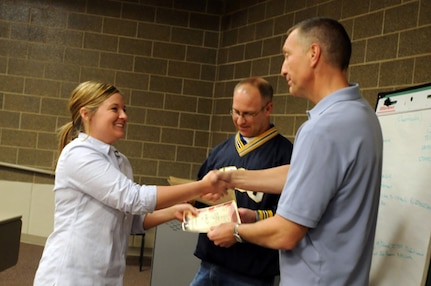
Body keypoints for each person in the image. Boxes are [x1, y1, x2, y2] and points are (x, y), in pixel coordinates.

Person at [207, 17, 384, 286]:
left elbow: (285, 233)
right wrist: (232, 178)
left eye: (287, 56)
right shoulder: (362, 115)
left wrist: (235, 231)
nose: (282, 69)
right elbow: (303, 174)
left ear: (313, 54)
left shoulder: (323, 129)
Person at [33, 81, 227, 285]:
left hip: (106, 275)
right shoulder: (78, 154)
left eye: (124, 109)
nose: (124, 116)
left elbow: (131, 219)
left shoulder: (120, 161)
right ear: (86, 114)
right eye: (114, 109)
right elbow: (133, 198)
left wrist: (173, 211)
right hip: (71, 275)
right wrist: (201, 187)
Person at [190, 77, 294, 286]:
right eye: (235, 112)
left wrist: (256, 217)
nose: (240, 120)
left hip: (251, 272)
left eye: (248, 113)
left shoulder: (286, 155)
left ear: (268, 108)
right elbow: (198, 196)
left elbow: (291, 217)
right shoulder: (220, 151)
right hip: (209, 263)